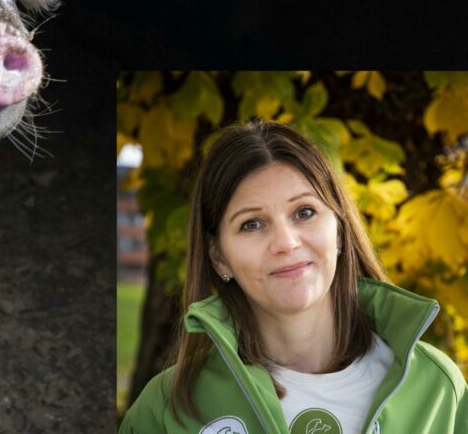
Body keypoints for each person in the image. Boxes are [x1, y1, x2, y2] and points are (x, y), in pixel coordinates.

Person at [119, 120, 467, 434]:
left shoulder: (437, 388)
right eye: (251, 224)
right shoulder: (165, 412)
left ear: (340, 232)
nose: (286, 243)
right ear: (219, 257)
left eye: (304, 212)